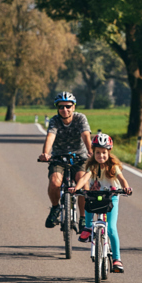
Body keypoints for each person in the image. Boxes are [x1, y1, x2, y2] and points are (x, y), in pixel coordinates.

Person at [70, 133, 132, 273]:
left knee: (111, 229)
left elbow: (121, 179)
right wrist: (76, 188)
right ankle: (87, 227)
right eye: (98, 153)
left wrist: (126, 188)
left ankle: (117, 259)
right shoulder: (91, 166)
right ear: (93, 153)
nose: (101, 156)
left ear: (109, 152)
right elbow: (85, 178)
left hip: (111, 197)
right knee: (87, 199)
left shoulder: (113, 166)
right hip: (96, 195)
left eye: (104, 153)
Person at [38, 92, 93, 229]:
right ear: (57, 108)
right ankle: (55, 208)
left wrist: (90, 151)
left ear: (73, 107)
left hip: (80, 157)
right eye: (61, 107)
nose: (65, 110)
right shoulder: (55, 120)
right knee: (54, 182)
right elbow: (51, 135)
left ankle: (83, 218)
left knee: (84, 186)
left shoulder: (80, 118)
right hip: (58, 157)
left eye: (68, 106)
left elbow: (85, 134)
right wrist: (46, 153)